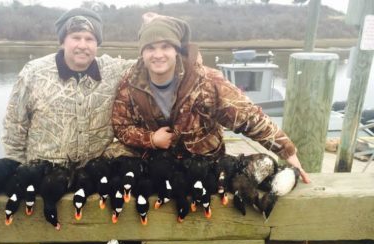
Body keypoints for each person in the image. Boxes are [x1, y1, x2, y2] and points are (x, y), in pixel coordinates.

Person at [111, 13, 310, 184]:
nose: (158, 54)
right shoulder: (130, 83)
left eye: (165, 46)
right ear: (142, 52)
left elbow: (249, 118)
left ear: (177, 50)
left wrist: (288, 152)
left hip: (207, 167)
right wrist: (151, 139)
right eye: (150, 48)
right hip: (157, 167)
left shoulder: (207, 81)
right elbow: (121, 127)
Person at [2, 8, 133, 165]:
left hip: (94, 173)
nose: (83, 45)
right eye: (76, 37)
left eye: (89, 39)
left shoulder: (113, 70)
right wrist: (18, 169)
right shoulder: (33, 73)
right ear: (63, 41)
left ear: (97, 43)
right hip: (42, 175)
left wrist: (156, 25)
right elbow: (14, 127)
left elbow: (154, 61)